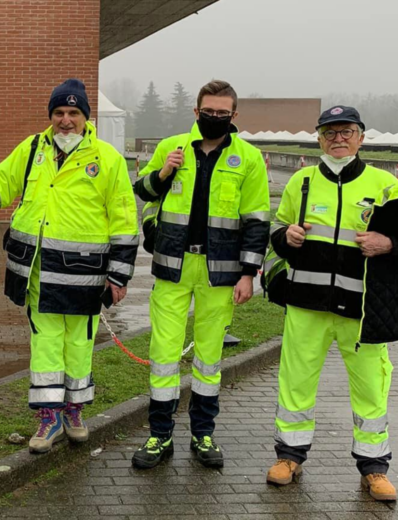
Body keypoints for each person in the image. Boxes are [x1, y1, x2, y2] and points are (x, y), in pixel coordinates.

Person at [0, 79, 138, 454]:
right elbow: (3, 181)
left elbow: (125, 219)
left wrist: (119, 275)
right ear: (51, 116)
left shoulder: (107, 159)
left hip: (86, 276)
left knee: (78, 346)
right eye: (59, 114)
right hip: (37, 272)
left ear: (86, 117)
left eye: (74, 114)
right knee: (46, 345)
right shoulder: (33, 149)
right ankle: (49, 418)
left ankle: (74, 412)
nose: (66, 121)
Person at [131, 80, 270, 470]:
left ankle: (202, 434)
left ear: (233, 116)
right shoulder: (171, 148)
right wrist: (162, 179)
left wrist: (248, 274)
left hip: (220, 273)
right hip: (173, 268)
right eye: (207, 112)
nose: (214, 118)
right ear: (196, 112)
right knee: (163, 355)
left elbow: (257, 220)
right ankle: (160, 436)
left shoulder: (249, 158)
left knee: (209, 359)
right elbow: (143, 194)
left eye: (222, 114)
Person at [265, 106, 398, 501]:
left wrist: (390, 244)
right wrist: (285, 236)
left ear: (360, 137)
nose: (338, 138)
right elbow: (277, 227)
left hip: (362, 310)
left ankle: (374, 469)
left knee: (372, 388)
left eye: (347, 131)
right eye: (330, 132)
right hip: (306, 304)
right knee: (296, 384)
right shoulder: (302, 181)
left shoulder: (386, 183)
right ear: (319, 138)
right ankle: (289, 457)